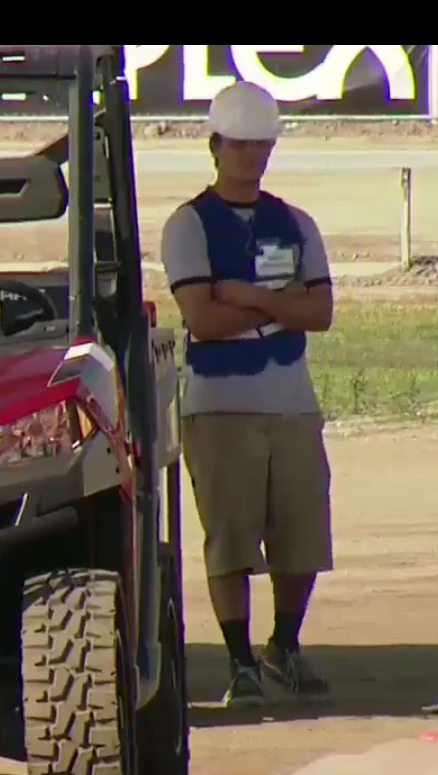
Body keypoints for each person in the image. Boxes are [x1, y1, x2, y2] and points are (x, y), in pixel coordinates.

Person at [159, 81, 336, 709]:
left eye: (261, 145)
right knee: (230, 538)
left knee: (302, 534)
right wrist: (280, 307)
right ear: (216, 146)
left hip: (291, 401)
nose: (252, 156)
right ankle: (240, 661)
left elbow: (321, 312)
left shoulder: (296, 221)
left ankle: (283, 646)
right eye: (241, 145)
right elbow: (202, 321)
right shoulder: (188, 224)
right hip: (219, 405)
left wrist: (251, 297)